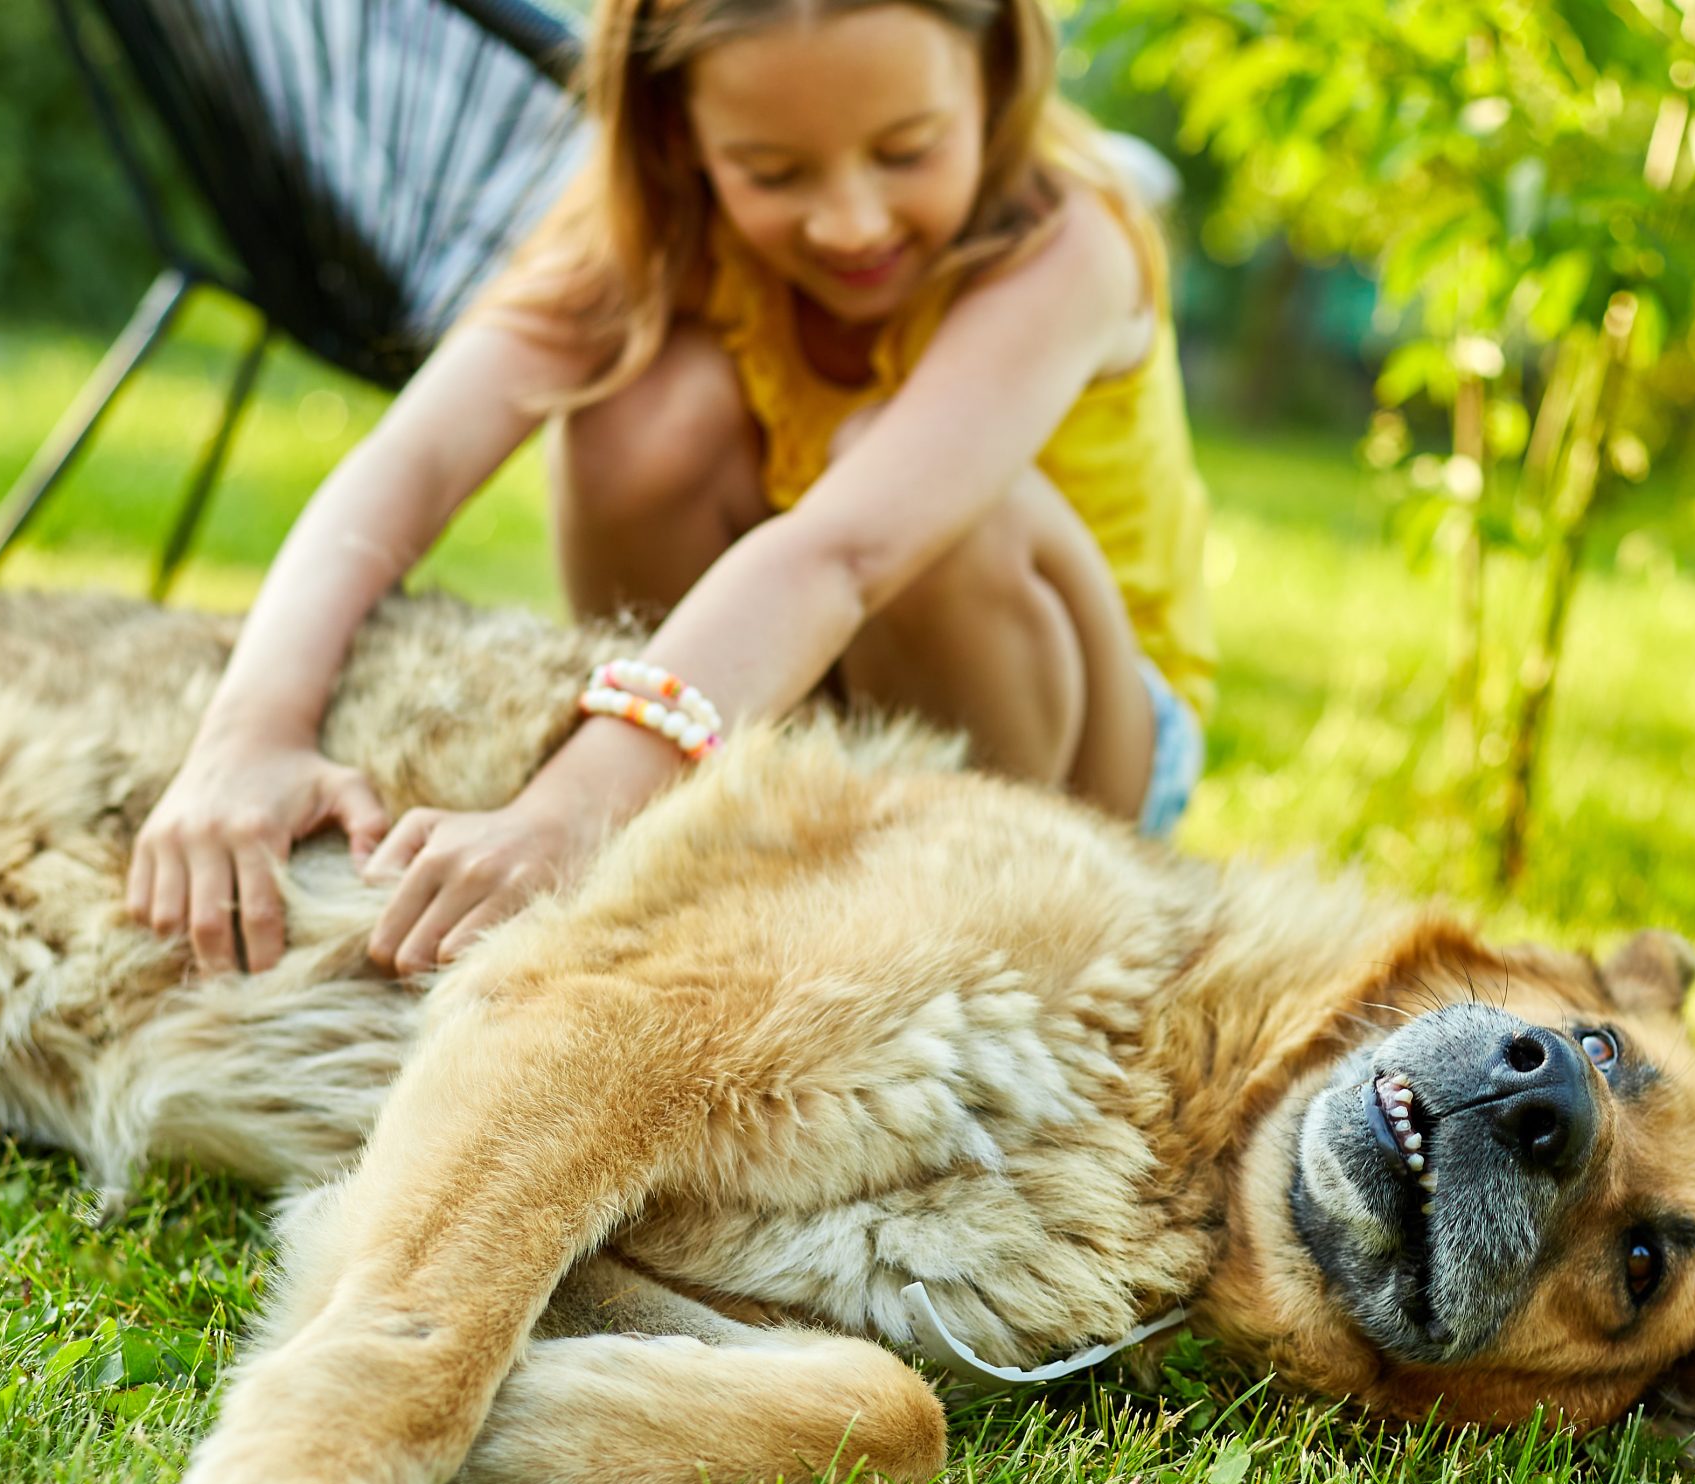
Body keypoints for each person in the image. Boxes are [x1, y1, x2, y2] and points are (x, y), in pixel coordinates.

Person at [127, 0, 1215, 979]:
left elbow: (848, 551)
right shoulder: (644, 221)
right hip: (800, 668)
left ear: (993, 77)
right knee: (641, 408)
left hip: (1083, 743)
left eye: (907, 150)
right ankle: (709, 830)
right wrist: (248, 735)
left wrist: (567, 810)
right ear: (678, 134)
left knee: (937, 505)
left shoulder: (1067, 240)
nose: (849, 221)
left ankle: (965, 920)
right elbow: (408, 461)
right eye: (773, 173)